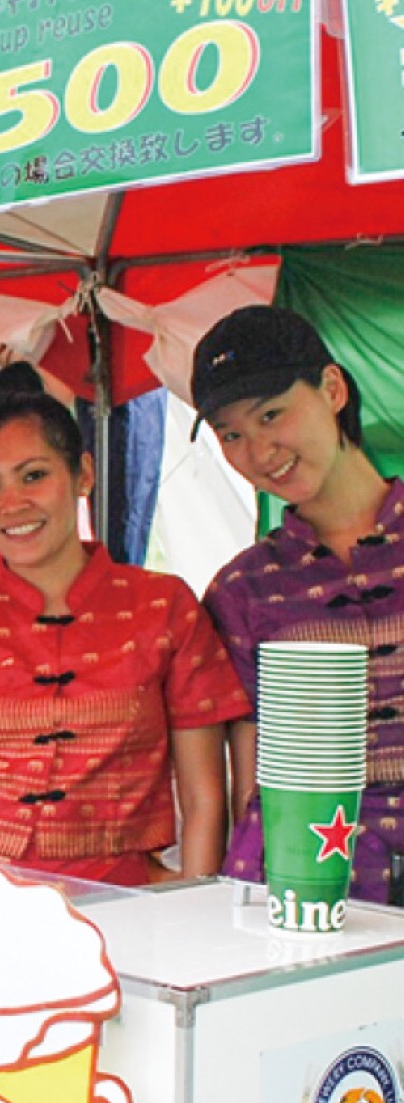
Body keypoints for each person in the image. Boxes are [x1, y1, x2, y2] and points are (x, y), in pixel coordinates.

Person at [0, 391, 250, 937]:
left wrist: (192, 924)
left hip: (114, 908)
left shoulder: (164, 608)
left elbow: (204, 799)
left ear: (82, 474)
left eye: (34, 476)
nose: (12, 504)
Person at [193, 305, 404, 903]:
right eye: (231, 435)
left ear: (332, 389)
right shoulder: (243, 589)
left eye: (271, 414)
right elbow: (252, 783)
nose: (260, 452)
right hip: (310, 894)